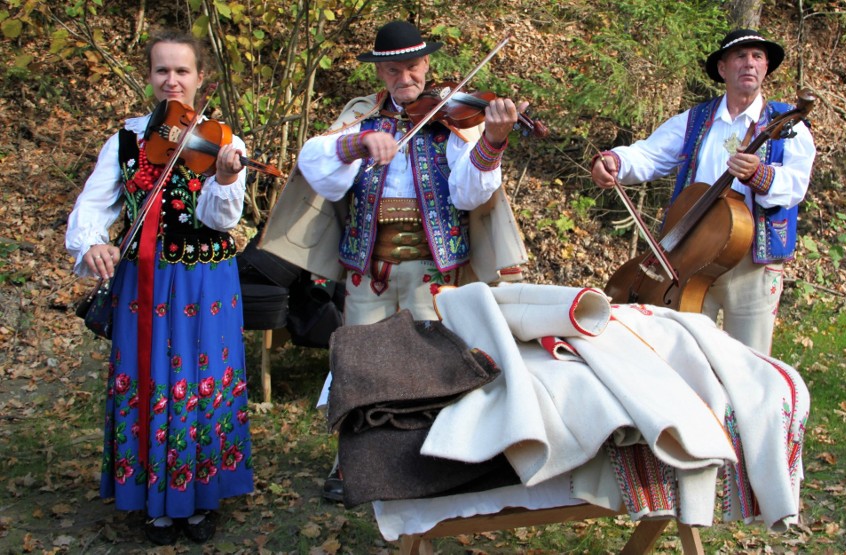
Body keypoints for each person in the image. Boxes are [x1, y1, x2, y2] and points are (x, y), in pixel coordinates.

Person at [286, 20, 529, 501]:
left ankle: (430, 463)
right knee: (360, 365)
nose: (406, 78)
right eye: (394, 69)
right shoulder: (362, 115)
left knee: (432, 368)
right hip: (368, 269)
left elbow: (468, 193)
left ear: (427, 65)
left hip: (434, 267)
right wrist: (356, 144)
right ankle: (352, 464)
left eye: (413, 66)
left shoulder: (456, 118)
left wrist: (494, 142)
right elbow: (312, 161)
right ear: (380, 73)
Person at [65, 29, 253, 545]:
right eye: (162, 71)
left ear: (200, 78)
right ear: (150, 76)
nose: (172, 80)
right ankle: (154, 502)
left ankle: (200, 502)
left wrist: (227, 177)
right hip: (142, 281)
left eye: (182, 71)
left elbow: (218, 218)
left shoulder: (221, 139)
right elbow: (92, 205)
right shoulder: (124, 139)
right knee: (147, 378)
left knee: (201, 380)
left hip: (204, 282)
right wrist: (91, 245)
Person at [591, 29, 816, 355]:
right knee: (686, 355)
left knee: (749, 361)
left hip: (753, 262)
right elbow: (650, 154)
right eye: (740, 56)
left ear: (766, 67)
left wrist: (760, 175)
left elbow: (795, 184)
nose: (749, 64)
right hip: (692, 256)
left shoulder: (787, 124)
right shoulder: (697, 119)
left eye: (757, 57)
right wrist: (615, 160)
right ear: (723, 69)